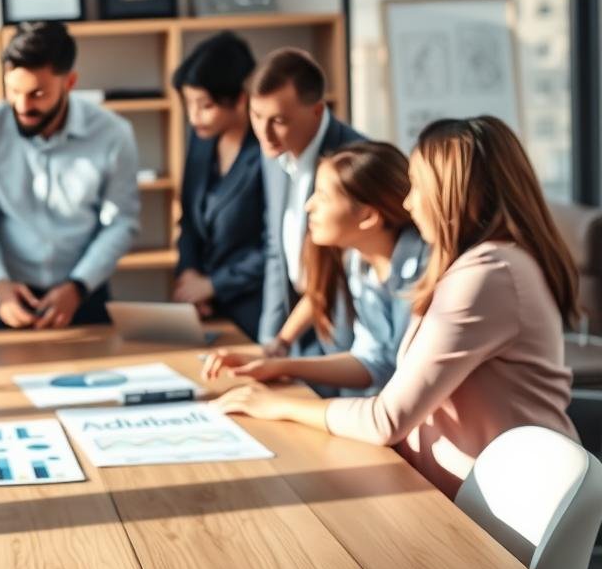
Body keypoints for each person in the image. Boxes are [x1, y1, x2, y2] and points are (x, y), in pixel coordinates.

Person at [217, 117, 578, 499]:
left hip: (496, 506)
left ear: (450, 194)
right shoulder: (481, 267)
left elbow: (385, 419)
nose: (408, 202)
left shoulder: (487, 276)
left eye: (418, 187)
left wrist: (276, 405)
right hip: (456, 488)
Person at [203, 142, 427, 396]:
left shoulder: (428, 269)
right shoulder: (360, 263)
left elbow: (387, 370)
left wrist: (280, 365)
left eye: (323, 196)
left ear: (368, 217)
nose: (309, 205)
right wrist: (277, 364)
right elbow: (373, 363)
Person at [0, 21, 140, 329]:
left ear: (69, 82)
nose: (22, 105)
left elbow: (120, 222)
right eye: (14, 91)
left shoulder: (114, 134)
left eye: (38, 93)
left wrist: (78, 285)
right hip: (6, 297)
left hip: (84, 294)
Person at [249, 47, 366, 356]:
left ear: (317, 110)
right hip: (294, 330)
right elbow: (276, 249)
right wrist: (270, 340)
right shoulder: (272, 152)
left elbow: (348, 269)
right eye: (257, 115)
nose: (264, 133)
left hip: (348, 334)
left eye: (278, 120)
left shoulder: (357, 160)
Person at [170, 31, 265, 339]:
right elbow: (189, 222)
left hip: (255, 310)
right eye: (188, 104)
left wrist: (213, 285)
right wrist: (189, 276)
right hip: (205, 309)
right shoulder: (200, 143)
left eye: (205, 105)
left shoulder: (266, 152)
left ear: (240, 99)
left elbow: (274, 246)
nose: (193, 116)